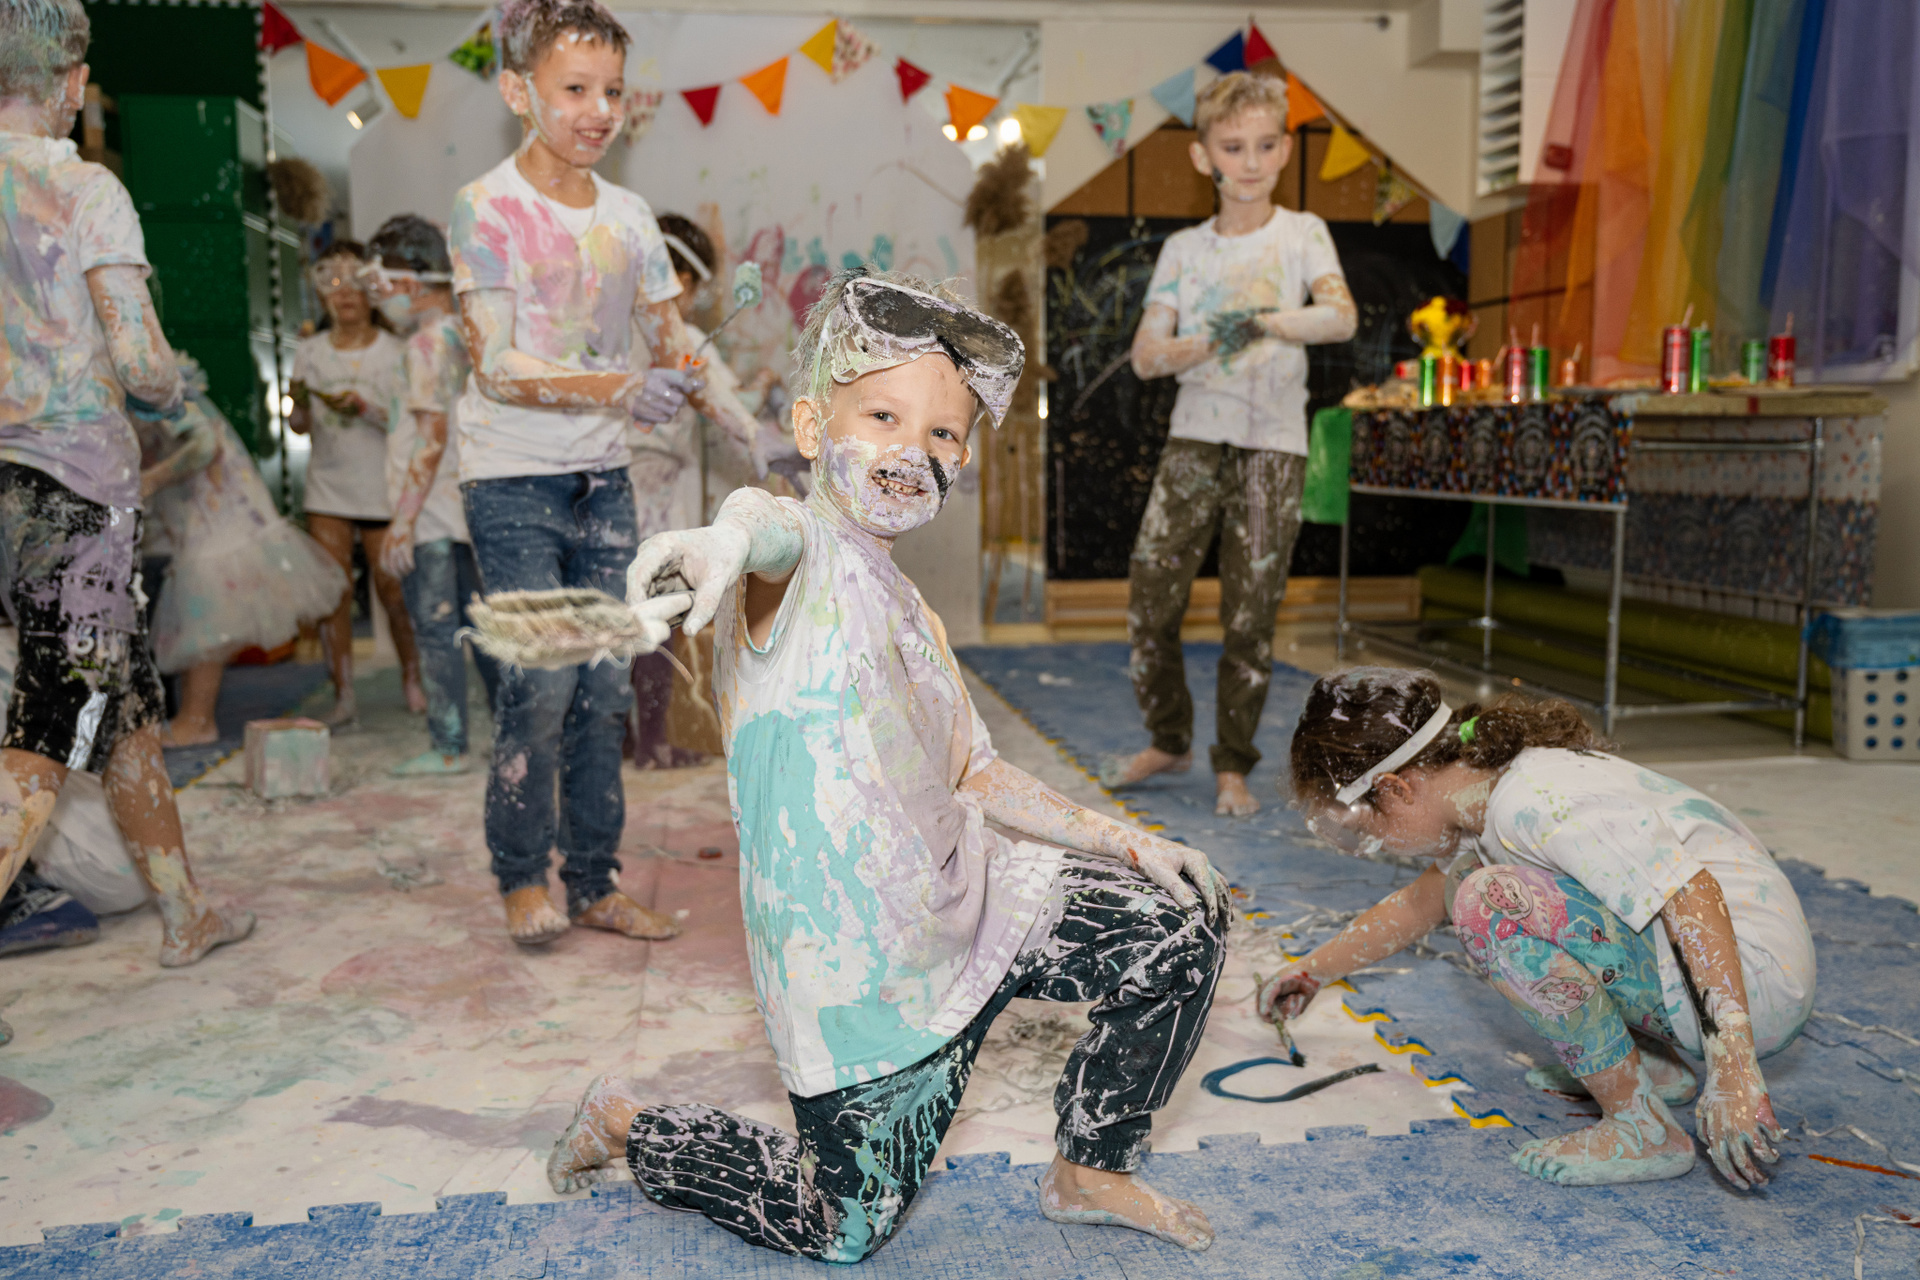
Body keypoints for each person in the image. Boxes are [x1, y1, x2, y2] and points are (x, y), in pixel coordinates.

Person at [545, 269, 1231, 1262]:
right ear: (812, 426)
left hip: (977, 905)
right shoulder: (804, 553)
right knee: (842, 1226)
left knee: (1181, 917)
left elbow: (974, 772)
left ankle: (1092, 1166)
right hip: (863, 981)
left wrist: (1127, 840)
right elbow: (766, 521)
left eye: (943, 433)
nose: (913, 450)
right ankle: (628, 1123)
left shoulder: (910, 606)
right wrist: (722, 540)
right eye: (882, 416)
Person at [449, 0, 752, 945]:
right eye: (575, 89)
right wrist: (624, 386)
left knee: (607, 687)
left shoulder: (628, 218)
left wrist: (759, 437)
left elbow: (679, 344)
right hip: (509, 478)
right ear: (518, 91)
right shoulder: (485, 206)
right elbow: (495, 364)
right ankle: (520, 877)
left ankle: (593, 882)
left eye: (613, 91)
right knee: (541, 682)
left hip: (603, 479)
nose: (599, 110)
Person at [1267, 667, 1815, 1190]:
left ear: (1396, 789)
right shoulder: (1480, 798)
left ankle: (1641, 1128)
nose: (1378, 845)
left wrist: (1733, 1067)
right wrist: (1312, 971)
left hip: (1751, 983)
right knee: (1467, 886)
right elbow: (1419, 904)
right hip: (1705, 977)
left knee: (1489, 903)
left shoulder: (1534, 803)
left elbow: (1693, 895)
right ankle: (1651, 1066)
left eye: (1365, 828)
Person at [0, 0, 252, 1012]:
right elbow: (142, 363)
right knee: (48, 726)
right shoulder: (82, 187)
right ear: (67, 80)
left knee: (127, 710)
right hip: (68, 492)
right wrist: (173, 389)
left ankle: (185, 910)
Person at [1108, 72, 1357, 818]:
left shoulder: (1303, 233)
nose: (1250, 162)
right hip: (1193, 441)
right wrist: (1206, 342)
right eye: (1232, 147)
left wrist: (1263, 323)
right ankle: (1170, 738)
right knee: (1150, 599)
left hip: (1272, 447)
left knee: (1251, 615)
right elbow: (1146, 355)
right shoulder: (1184, 250)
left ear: (1285, 150)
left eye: (1265, 146)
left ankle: (1232, 764)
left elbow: (1340, 316)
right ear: (1202, 156)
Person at [624, 212, 780, 770]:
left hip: (615, 486)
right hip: (660, 491)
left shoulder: (617, 332)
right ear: (684, 282)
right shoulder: (682, 338)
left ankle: (623, 739)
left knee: (621, 608)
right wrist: (764, 388)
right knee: (660, 613)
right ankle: (654, 741)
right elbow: (732, 407)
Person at [133, 359, 347, 747]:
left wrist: (151, 479)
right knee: (197, 618)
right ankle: (192, 714)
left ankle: (197, 718)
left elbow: (204, 445)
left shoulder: (159, 392)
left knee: (204, 617)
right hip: (198, 516)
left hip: (217, 516)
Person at [367, 215, 502, 776]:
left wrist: (401, 523)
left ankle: (448, 745)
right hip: (463, 507)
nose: (378, 296)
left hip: (432, 517)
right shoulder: (463, 337)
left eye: (381, 284)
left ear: (412, 283)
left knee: (436, 630)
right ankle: (509, 733)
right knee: (484, 629)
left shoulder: (425, 344)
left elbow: (431, 439)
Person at [289, 240, 423, 727]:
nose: (344, 293)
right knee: (334, 594)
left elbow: (413, 422)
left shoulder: (396, 351)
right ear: (321, 293)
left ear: (373, 290)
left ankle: (413, 675)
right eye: (333, 283)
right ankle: (342, 692)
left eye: (354, 282)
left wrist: (364, 408)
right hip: (327, 487)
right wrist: (298, 404)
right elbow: (299, 426)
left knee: (393, 590)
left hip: (382, 485)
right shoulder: (308, 352)